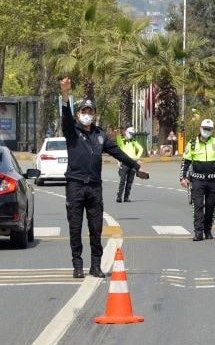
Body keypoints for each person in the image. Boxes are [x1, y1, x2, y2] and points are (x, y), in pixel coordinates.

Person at [59, 78, 149, 278]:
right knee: (75, 227)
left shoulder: (100, 135)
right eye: (84, 111)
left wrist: (136, 166)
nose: (87, 115)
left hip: (94, 188)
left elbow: (118, 152)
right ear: (78, 114)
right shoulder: (72, 131)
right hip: (75, 185)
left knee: (96, 228)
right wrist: (65, 95)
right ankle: (77, 265)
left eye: (90, 112)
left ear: (95, 115)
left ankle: (96, 266)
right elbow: (65, 117)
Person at [179, 119, 215, 241]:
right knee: (198, 206)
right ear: (200, 128)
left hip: (213, 181)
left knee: (210, 207)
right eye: (205, 128)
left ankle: (207, 230)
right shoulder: (192, 143)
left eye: (209, 129)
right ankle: (198, 232)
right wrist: (183, 178)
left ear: (212, 130)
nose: (207, 131)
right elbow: (185, 162)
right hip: (197, 180)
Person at [116, 126, 144, 203]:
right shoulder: (120, 139)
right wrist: (122, 132)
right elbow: (118, 136)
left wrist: (136, 157)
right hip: (124, 162)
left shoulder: (133, 140)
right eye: (131, 133)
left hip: (133, 163)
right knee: (122, 181)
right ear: (127, 132)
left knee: (130, 181)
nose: (132, 135)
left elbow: (141, 148)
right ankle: (119, 197)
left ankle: (126, 197)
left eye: (133, 134)